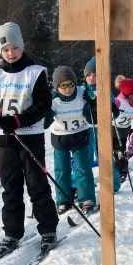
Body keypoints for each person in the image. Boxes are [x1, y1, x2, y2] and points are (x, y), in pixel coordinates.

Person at [0, 22, 59, 257]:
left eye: (13, 47)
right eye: (5, 50)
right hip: (3, 139)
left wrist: (18, 120)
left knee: (36, 184)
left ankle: (48, 229)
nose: (10, 53)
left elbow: (43, 105)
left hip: (29, 135)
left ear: (21, 46)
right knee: (10, 187)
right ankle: (12, 232)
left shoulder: (36, 72)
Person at [47, 66, 97, 215]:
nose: (68, 89)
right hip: (60, 136)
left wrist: (91, 105)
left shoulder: (82, 94)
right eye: (63, 86)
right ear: (57, 86)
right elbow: (45, 121)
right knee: (61, 170)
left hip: (79, 134)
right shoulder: (53, 98)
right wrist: (44, 110)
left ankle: (87, 199)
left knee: (82, 168)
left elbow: (92, 117)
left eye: (70, 85)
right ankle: (63, 199)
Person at [79, 56, 121, 193]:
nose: (91, 78)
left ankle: (112, 184)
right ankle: (84, 187)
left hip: (102, 129)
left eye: (95, 75)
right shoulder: (80, 90)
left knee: (105, 157)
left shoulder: (104, 89)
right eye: (89, 75)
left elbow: (115, 111)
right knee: (84, 159)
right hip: (85, 128)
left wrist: (110, 107)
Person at [113, 76, 133, 183]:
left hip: (124, 132)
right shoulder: (119, 101)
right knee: (116, 152)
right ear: (130, 91)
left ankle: (121, 172)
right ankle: (118, 171)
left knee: (120, 152)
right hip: (113, 130)